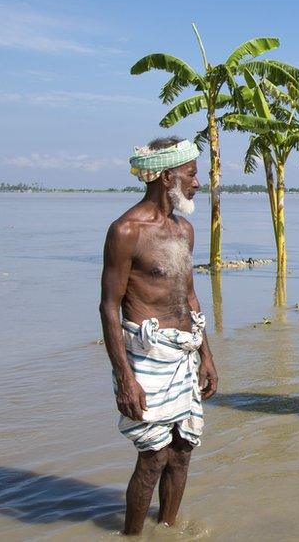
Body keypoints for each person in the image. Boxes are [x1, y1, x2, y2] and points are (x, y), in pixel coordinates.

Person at [99, 137, 218, 535]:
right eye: (192, 173)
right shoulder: (126, 230)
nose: (197, 182)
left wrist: (207, 355)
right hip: (148, 357)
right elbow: (108, 307)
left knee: (183, 451)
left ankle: (166, 530)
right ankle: (131, 535)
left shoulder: (184, 229)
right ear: (168, 176)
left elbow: (189, 295)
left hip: (184, 354)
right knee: (153, 457)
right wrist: (124, 378)